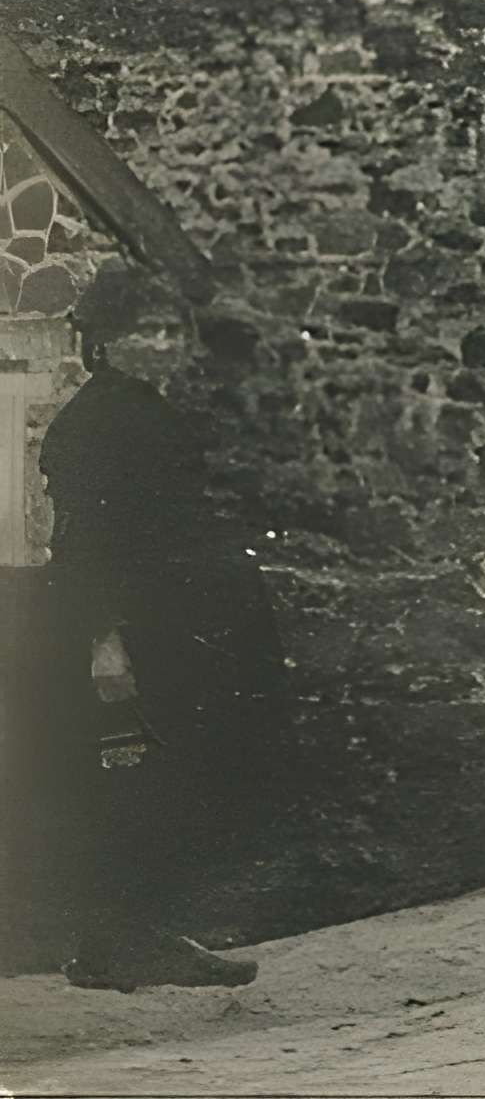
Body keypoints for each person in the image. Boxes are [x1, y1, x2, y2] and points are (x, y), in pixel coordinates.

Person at [38, 373, 290, 991]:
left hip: (172, 630)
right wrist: (103, 640)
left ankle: (120, 943)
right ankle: (126, 945)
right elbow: (79, 541)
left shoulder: (153, 406)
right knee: (135, 781)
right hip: (129, 640)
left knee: (161, 781)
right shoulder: (96, 419)